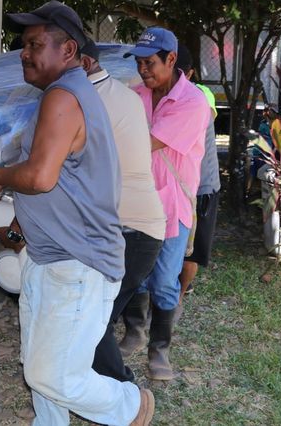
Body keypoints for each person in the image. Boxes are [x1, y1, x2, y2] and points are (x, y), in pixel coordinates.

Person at [0, 0, 155, 426]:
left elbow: (39, 177)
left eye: (36, 44)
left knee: (50, 373)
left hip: (78, 263)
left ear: (68, 51)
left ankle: (131, 406)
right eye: (23, 44)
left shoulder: (62, 96)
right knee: (38, 369)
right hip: (50, 255)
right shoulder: (67, 95)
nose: (24, 52)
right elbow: (64, 181)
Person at [117, 28, 210, 381]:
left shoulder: (192, 103)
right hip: (136, 204)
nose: (143, 70)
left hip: (171, 206)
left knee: (164, 282)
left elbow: (143, 143)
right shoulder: (136, 95)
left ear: (171, 60)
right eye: (139, 63)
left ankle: (160, 349)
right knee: (134, 276)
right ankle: (136, 333)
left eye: (150, 63)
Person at [79, 38, 167, 383]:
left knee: (94, 321)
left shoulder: (88, 101)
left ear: (81, 62)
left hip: (132, 229)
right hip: (135, 228)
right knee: (97, 317)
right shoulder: (121, 96)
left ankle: (124, 396)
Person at [174, 45, 221, 303]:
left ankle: (180, 294)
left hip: (201, 186)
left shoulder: (200, 96)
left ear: (190, 74)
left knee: (191, 251)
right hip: (182, 186)